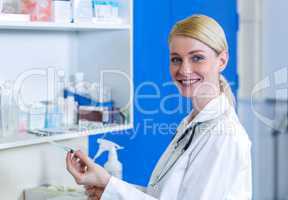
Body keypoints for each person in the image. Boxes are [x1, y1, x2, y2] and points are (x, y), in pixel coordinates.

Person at [66, 15, 252, 200]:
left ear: (222, 60)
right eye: (176, 59)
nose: (184, 70)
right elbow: (165, 196)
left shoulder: (225, 136)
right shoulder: (192, 124)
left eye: (197, 58)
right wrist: (106, 185)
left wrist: (112, 189)